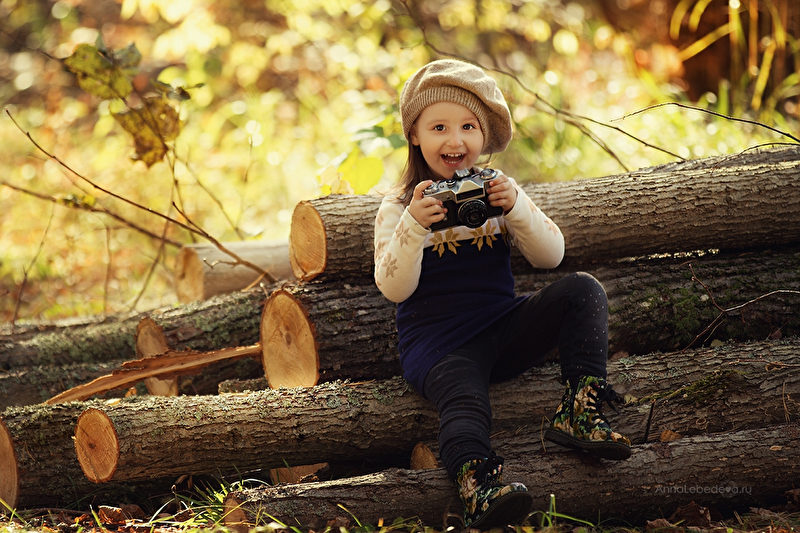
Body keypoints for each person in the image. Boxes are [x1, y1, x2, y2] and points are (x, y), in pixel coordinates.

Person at [373, 59, 631, 529]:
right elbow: (394, 288)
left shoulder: (495, 192)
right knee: (465, 397)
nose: (455, 140)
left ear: (485, 134)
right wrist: (413, 225)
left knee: (582, 290)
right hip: (438, 347)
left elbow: (551, 256)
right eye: (439, 127)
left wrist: (517, 206)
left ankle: (579, 409)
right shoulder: (398, 208)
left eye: (468, 126)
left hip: (502, 325)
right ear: (414, 135)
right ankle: (477, 485)